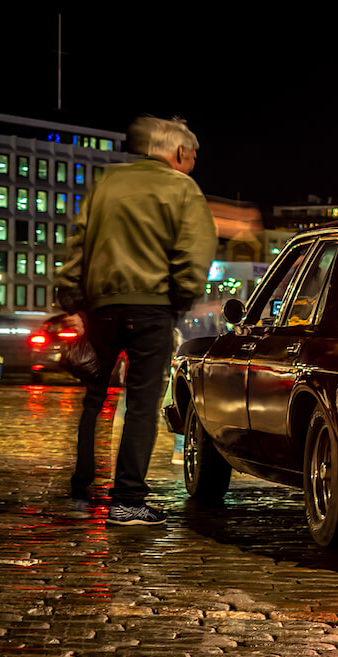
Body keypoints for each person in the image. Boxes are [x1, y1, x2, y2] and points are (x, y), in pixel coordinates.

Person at [55, 117, 217, 526]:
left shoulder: (109, 183)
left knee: (95, 400)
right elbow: (193, 255)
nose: (193, 163)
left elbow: (79, 241)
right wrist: (177, 300)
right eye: (193, 155)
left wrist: (72, 296)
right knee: (142, 404)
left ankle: (81, 492)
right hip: (152, 307)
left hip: (101, 306)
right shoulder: (182, 189)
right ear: (179, 153)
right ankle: (127, 500)